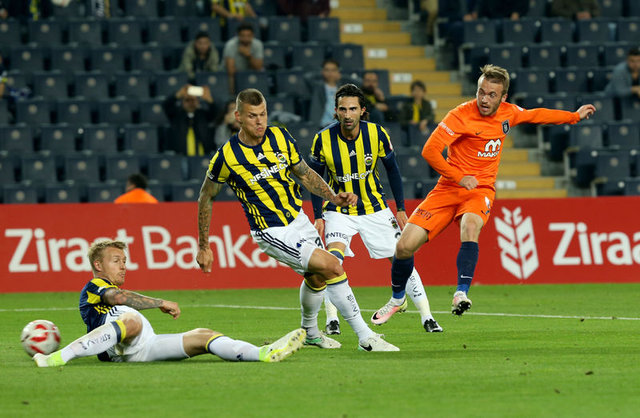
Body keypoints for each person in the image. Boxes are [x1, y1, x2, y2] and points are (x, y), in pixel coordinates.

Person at [371, 64, 596, 321]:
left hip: (480, 190)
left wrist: (573, 116)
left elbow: (536, 115)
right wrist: (458, 177)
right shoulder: (460, 116)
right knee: (403, 247)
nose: (484, 99)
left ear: (503, 98)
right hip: (447, 188)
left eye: (491, 95)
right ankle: (398, 299)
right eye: (481, 92)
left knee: (470, 227)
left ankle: (461, 293)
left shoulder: (510, 113)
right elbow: (429, 151)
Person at [197, 88, 399, 352]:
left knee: (317, 279)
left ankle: (310, 333)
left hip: (298, 219)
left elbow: (305, 174)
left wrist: (333, 197)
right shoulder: (227, 156)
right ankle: (366, 337)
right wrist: (204, 245)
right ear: (238, 117)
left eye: (263, 114)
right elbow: (206, 196)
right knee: (332, 266)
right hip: (271, 230)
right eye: (252, 116)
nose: (259, 121)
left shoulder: (280, 136)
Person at [33, 240, 305, 367]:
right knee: (132, 320)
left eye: (124, 261)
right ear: (98, 265)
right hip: (119, 345)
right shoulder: (95, 286)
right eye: (116, 261)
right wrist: (160, 302)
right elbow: (119, 298)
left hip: (143, 346)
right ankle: (58, 357)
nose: (123, 266)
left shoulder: (112, 289)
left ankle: (262, 353)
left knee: (203, 336)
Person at [309, 84, 442, 335]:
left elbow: (393, 170)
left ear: (362, 110)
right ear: (336, 111)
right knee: (331, 261)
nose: (347, 115)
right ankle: (332, 319)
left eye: (353, 109)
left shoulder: (376, 133)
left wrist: (400, 208)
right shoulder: (322, 139)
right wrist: (318, 216)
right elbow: (315, 180)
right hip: (339, 211)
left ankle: (427, 316)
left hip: (375, 208)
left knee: (402, 256)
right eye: (342, 109)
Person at [162, 84, 217, 156]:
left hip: (203, 156)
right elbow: (167, 105)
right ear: (182, 102)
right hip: (181, 156)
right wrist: (178, 95)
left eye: (193, 100)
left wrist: (209, 100)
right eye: (187, 100)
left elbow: (217, 113)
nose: (190, 103)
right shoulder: (176, 115)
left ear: (198, 102)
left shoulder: (203, 115)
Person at [309, 59, 352, 130]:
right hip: (322, 125)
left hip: (340, 125)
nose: (330, 73)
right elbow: (306, 77)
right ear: (322, 71)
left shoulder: (344, 87)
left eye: (333, 70)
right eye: (327, 70)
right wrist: (320, 74)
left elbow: (360, 83)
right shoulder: (317, 86)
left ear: (338, 72)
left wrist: (342, 76)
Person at [222, 22, 264, 95]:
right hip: (234, 75)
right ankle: (232, 97)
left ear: (253, 35)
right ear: (238, 35)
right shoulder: (231, 45)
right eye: (243, 36)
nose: (245, 39)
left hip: (249, 74)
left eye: (248, 36)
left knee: (259, 74)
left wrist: (248, 56)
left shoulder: (258, 44)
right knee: (231, 77)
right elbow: (230, 70)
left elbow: (259, 67)